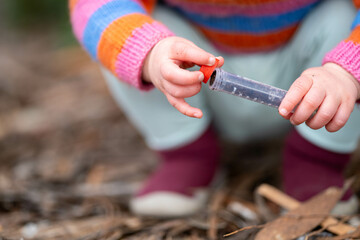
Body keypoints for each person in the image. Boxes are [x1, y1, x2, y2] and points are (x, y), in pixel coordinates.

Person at [69, 0, 360, 217]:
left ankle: (317, 159)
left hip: (316, 77)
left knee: (342, 15)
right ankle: (187, 153)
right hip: (197, 71)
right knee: (125, 34)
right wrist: (149, 53)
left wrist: (348, 70)